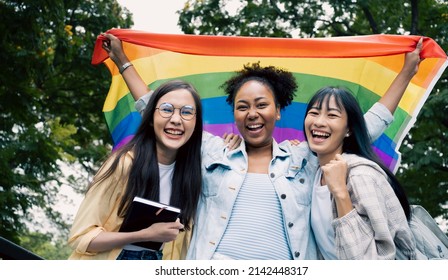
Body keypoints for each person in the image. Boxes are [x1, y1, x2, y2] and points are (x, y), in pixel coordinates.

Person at [100, 32, 421, 260]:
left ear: (278, 110)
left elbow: (367, 125)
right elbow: (158, 110)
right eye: (242, 106)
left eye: (261, 104)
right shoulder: (213, 152)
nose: (252, 113)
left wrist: (407, 71)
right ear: (235, 115)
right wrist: (124, 61)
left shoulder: (305, 157)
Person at [67, 79, 203, 260]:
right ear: (150, 119)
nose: (176, 120)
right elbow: (81, 238)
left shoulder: (193, 176)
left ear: (196, 123)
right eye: (166, 109)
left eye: (187, 112)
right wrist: (145, 234)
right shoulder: (123, 165)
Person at [303, 86, 417, 259]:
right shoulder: (312, 173)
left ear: (349, 129)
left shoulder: (361, 176)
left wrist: (341, 193)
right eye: (314, 113)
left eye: (332, 115)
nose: (319, 122)